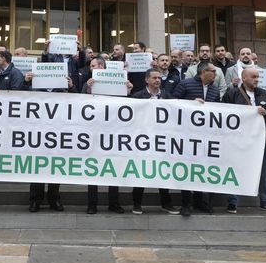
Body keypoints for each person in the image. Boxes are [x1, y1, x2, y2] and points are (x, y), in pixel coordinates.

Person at [221, 67, 266, 214]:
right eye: (253, 77)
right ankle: (232, 201)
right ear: (244, 78)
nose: (256, 79)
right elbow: (223, 113)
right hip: (238, 140)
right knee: (235, 169)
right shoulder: (232, 94)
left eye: (257, 77)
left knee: (265, 171)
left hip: (260, 140)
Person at [82, 57, 132, 214]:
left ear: (102, 66)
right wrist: (88, 89)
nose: (91, 68)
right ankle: (92, 203)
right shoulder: (88, 83)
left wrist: (128, 91)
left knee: (113, 168)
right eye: (90, 66)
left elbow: (125, 104)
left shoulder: (118, 81)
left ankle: (114, 203)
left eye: (93, 65)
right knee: (93, 168)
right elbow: (80, 103)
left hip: (113, 130)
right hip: (94, 131)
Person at [173, 60, 222, 215]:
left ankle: (199, 202)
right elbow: (173, 103)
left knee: (201, 169)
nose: (215, 74)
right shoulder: (185, 84)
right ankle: (186, 204)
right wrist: (190, 104)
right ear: (203, 72)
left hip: (205, 137)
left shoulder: (214, 90)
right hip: (186, 135)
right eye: (212, 71)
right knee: (187, 169)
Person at [130, 68, 179, 215]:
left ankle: (166, 203)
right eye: (154, 78)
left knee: (162, 172)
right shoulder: (138, 96)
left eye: (159, 78)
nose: (157, 80)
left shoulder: (167, 96)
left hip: (161, 140)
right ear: (147, 80)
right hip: (142, 140)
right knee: (141, 172)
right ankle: (137, 204)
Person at [22, 70, 73, 213]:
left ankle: (54, 199)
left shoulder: (64, 90)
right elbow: (19, 96)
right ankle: (35, 201)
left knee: (55, 169)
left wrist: (72, 87)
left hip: (57, 135)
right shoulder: (35, 89)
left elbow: (78, 101)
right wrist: (26, 82)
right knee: (38, 169)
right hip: (38, 135)